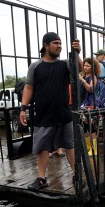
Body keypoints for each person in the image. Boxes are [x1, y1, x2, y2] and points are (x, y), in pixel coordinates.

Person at [19, 32, 82, 191]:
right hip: (43, 113)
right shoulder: (36, 66)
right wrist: (23, 108)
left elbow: (79, 69)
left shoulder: (65, 64)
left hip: (63, 113)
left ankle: (77, 175)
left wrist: (77, 54)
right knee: (42, 147)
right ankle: (41, 179)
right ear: (46, 45)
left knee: (69, 145)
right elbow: (28, 87)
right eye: (55, 43)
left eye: (60, 43)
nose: (59, 46)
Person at [79, 58, 105, 156]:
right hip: (83, 104)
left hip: (91, 104)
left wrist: (83, 80)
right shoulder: (83, 75)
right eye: (84, 65)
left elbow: (91, 89)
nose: (85, 67)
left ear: (93, 67)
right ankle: (88, 147)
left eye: (88, 66)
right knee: (84, 127)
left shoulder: (93, 76)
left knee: (91, 127)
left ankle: (94, 149)